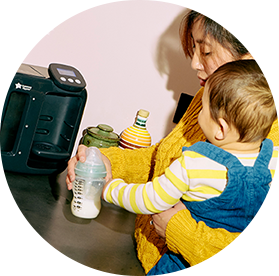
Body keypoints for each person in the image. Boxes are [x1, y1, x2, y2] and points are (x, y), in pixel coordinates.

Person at [66, 0, 279, 275]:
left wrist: (180, 232)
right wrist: (106, 163)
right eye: (194, 47)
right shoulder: (212, 96)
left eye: (206, 50)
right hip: (147, 261)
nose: (193, 63)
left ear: (254, 54)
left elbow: (271, 253)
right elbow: (166, 160)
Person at [102, 59, 279, 275]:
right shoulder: (275, 162)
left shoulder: (194, 164)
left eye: (203, 107)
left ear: (220, 129)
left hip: (185, 267)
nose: (197, 113)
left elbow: (148, 199)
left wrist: (110, 188)